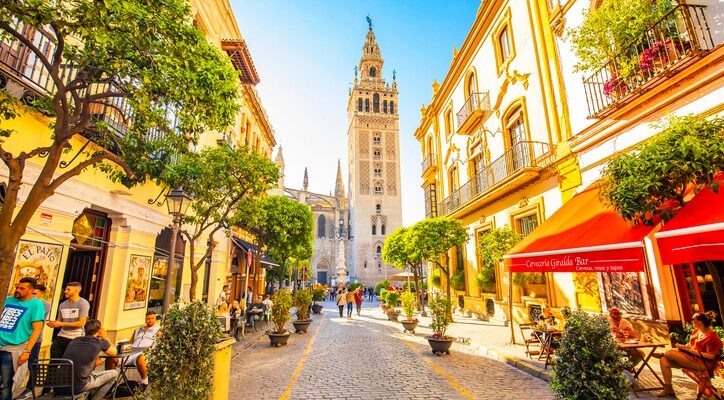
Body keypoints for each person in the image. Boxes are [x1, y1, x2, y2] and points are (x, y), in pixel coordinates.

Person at [657, 311, 723, 397]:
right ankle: (668, 389)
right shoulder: (697, 331)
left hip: (704, 364)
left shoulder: (712, 337)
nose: (692, 322)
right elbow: (690, 346)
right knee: (664, 361)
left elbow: (712, 356)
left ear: (700, 322)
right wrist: (683, 347)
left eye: (693, 320)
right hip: (692, 358)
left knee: (669, 353)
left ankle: (662, 354)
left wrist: (689, 351)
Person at [0, 277, 44, 400]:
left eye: (22, 288)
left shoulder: (36, 304)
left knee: (6, 385)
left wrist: (27, 351)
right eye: (17, 287)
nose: (17, 290)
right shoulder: (9, 300)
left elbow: (36, 330)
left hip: (12, 350)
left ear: (31, 290)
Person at [61, 319, 118, 400]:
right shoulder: (100, 342)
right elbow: (114, 352)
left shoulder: (75, 340)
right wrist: (106, 337)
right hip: (79, 386)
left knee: (90, 374)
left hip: (60, 385)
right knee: (114, 373)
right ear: (99, 330)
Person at [105, 311, 159, 387]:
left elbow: (160, 344)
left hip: (145, 353)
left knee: (141, 358)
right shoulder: (138, 330)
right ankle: (111, 383)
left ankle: (144, 382)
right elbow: (130, 343)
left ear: (155, 319)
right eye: (148, 318)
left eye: (152, 318)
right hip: (131, 353)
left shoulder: (158, 330)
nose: (150, 320)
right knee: (111, 359)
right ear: (145, 319)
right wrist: (123, 346)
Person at [47, 282, 90, 359]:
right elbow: (59, 321)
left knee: (68, 363)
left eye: (68, 289)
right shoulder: (62, 304)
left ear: (77, 290)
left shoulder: (83, 303)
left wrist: (61, 323)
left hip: (76, 337)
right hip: (61, 336)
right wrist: (53, 324)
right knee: (53, 361)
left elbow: (81, 323)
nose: (65, 291)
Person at [23, 284, 51, 396]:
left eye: (35, 293)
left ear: (42, 293)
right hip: (21, 338)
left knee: (32, 363)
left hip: (35, 338)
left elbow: (32, 317)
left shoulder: (45, 305)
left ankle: (30, 388)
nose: (32, 295)